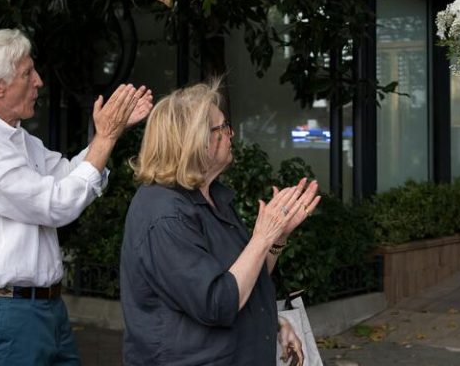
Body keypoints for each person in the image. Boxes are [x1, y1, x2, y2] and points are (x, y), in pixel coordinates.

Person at [0, 28, 153, 365]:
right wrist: (106, 138)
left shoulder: (14, 137)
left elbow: (67, 175)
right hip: (4, 316)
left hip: (41, 310)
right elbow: (55, 204)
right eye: (27, 73)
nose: (39, 81)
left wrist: (110, 135)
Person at [120, 81, 321, 366]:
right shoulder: (164, 213)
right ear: (195, 140)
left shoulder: (212, 196)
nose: (232, 134)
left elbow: (244, 277)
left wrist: (277, 238)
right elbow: (219, 302)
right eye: (223, 127)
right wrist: (261, 237)